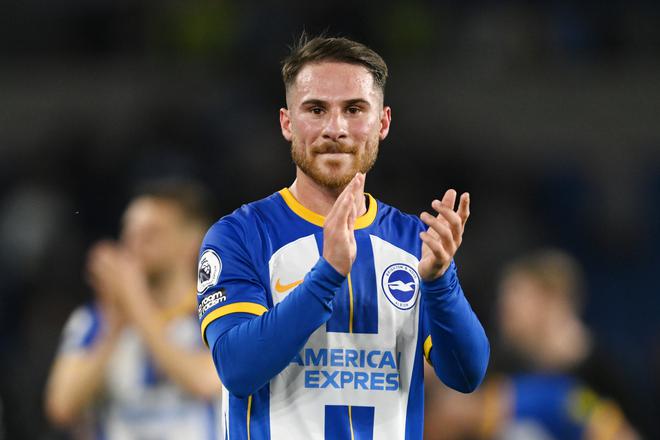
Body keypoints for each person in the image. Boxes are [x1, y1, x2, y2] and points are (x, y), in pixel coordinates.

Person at [196, 35, 490, 439]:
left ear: (383, 122)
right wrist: (328, 274)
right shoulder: (241, 236)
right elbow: (238, 369)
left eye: (354, 109)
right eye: (316, 109)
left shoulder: (414, 242)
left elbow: (466, 374)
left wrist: (442, 283)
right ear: (287, 122)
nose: (335, 128)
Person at [45, 180, 222, 439]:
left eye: (150, 234)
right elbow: (61, 407)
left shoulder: (216, 311)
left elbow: (206, 383)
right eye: (128, 233)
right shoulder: (95, 320)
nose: (134, 245)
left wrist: (137, 304)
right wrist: (113, 325)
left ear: (190, 242)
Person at [423, 249, 640, 440]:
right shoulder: (504, 361)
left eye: (515, 297)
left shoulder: (607, 373)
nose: (503, 310)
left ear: (550, 299)